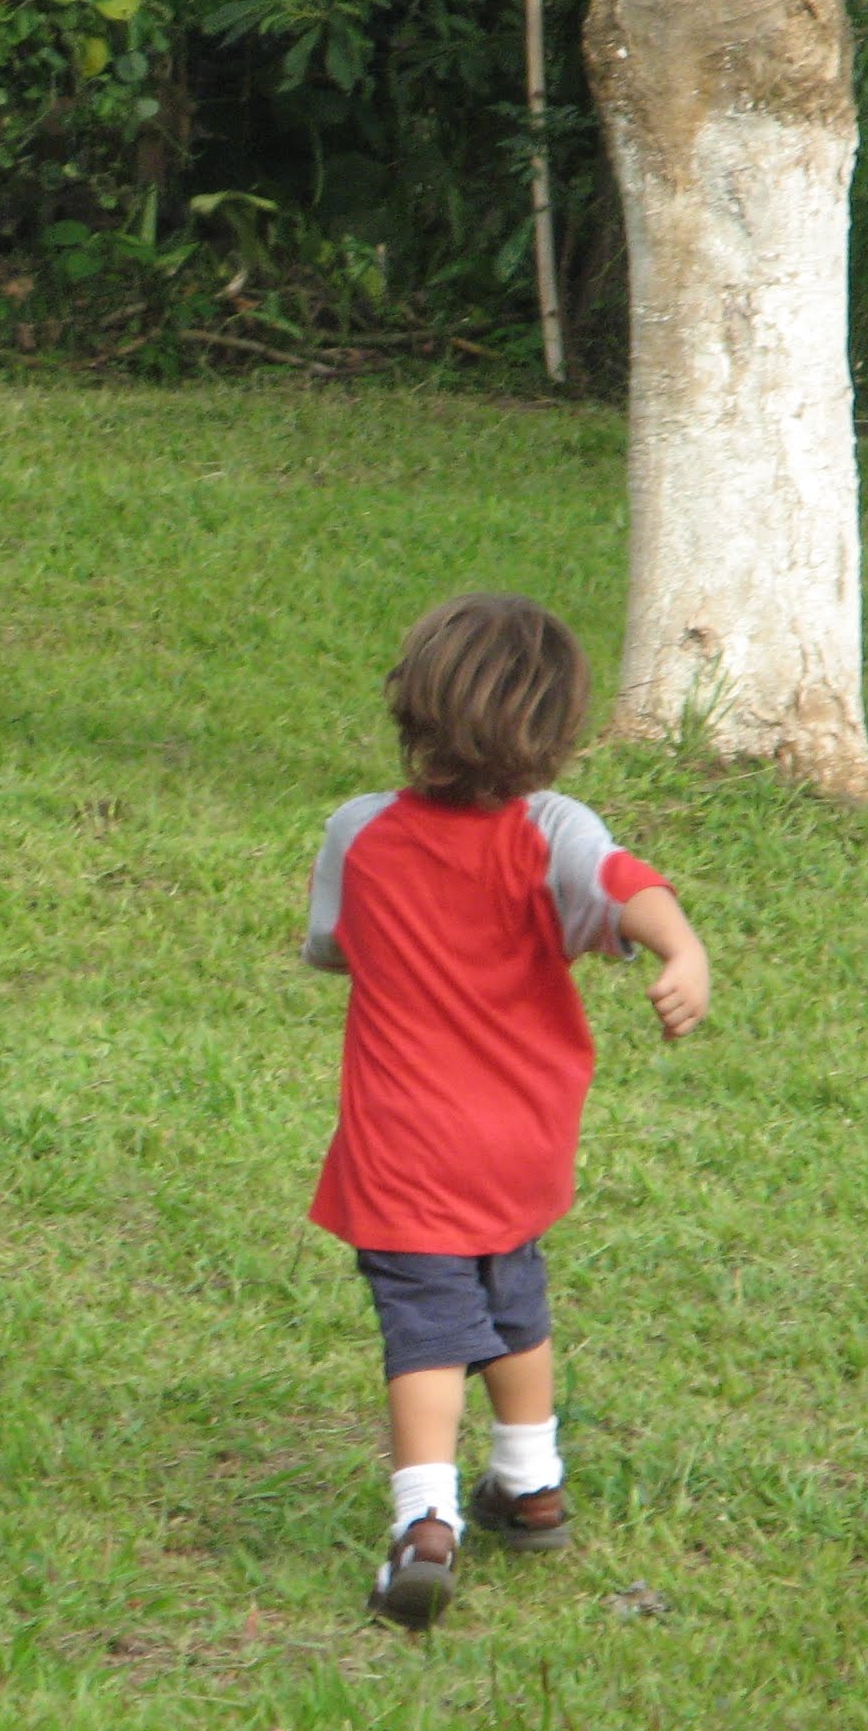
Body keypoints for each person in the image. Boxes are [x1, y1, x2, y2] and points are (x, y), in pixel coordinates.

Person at [303, 594, 710, 1627]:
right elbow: (624, 885)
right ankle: (529, 1487)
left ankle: (423, 1524)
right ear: (556, 730)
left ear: (411, 708)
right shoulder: (555, 834)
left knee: (425, 1330)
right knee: (510, 1296)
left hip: (403, 1147)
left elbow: (335, 946)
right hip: (521, 1143)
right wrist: (682, 951)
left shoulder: (359, 832)